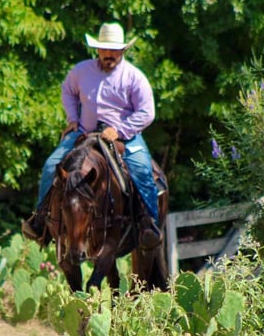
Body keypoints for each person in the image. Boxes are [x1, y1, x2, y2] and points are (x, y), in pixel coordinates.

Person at [21, 21, 162, 249]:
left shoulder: (134, 77)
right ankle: (40, 220)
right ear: (97, 49)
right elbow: (67, 91)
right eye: (105, 49)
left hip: (125, 136)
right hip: (84, 132)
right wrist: (72, 119)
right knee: (51, 166)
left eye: (114, 50)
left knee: (142, 170)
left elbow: (147, 112)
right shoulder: (80, 71)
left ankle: (148, 224)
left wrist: (120, 130)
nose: (109, 54)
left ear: (123, 50)